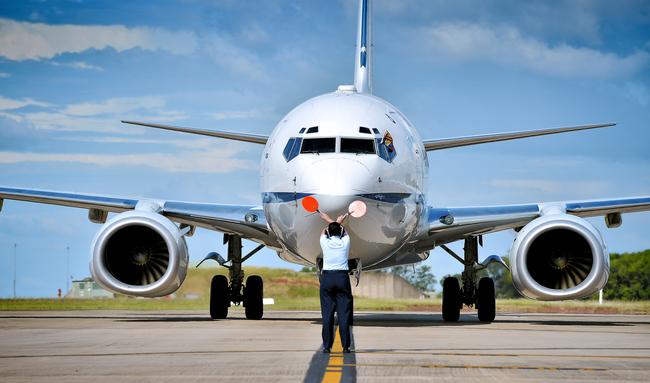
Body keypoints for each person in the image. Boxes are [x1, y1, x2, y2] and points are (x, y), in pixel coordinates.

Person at [318, 210, 353, 353]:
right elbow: (343, 232)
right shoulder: (345, 242)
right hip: (342, 277)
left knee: (327, 315)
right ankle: (345, 347)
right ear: (340, 231)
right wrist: (338, 222)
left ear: (328, 232)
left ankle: (327, 346)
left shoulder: (324, 243)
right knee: (343, 314)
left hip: (327, 278)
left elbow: (324, 232)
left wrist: (328, 220)